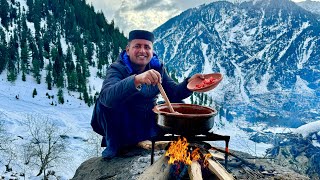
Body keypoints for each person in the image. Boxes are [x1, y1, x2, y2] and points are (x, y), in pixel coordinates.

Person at [92, 29, 202, 159]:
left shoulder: (157, 68)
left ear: (152, 51)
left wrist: (189, 84)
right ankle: (116, 143)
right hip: (121, 122)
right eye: (137, 46)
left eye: (147, 47)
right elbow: (107, 97)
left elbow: (174, 93)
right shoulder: (118, 68)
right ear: (128, 50)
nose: (142, 51)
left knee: (179, 105)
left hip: (144, 120)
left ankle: (167, 142)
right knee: (105, 102)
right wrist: (137, 79)